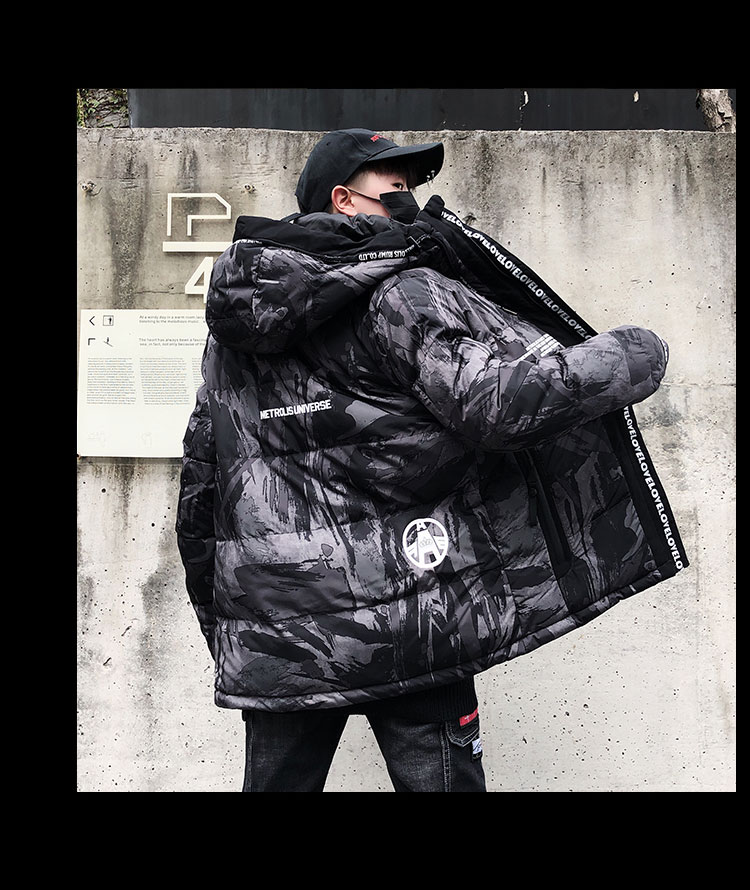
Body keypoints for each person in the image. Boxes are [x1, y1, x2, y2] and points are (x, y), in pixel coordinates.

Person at [176, 128, 687, 792]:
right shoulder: (400, 291)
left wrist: (230, 631)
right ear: (343, 199)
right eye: (395, 188)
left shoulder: (233, 331)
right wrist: (630, 355)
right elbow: (498, 405)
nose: (411, 201)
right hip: (413, 620)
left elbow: (201, 489)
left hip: (282, 634)